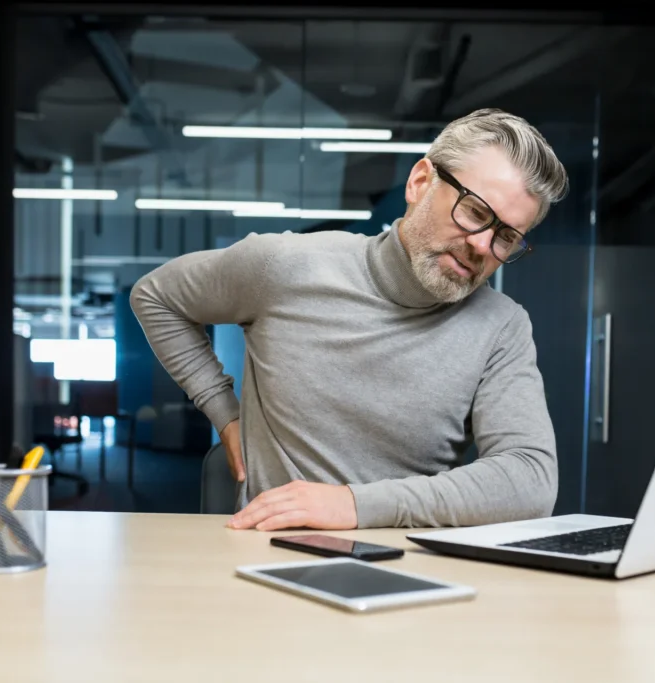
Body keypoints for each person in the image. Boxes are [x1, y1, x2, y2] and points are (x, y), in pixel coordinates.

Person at [129, 108, 569, 530]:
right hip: (274, 561)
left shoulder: (502, 327)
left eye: (506, 237)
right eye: (475, 212)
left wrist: (356, 505)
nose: (481, 246)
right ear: (420, 182)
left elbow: (530, 480)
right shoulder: (284, 266)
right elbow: (155, 297)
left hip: (416, 577)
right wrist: (225, 414)